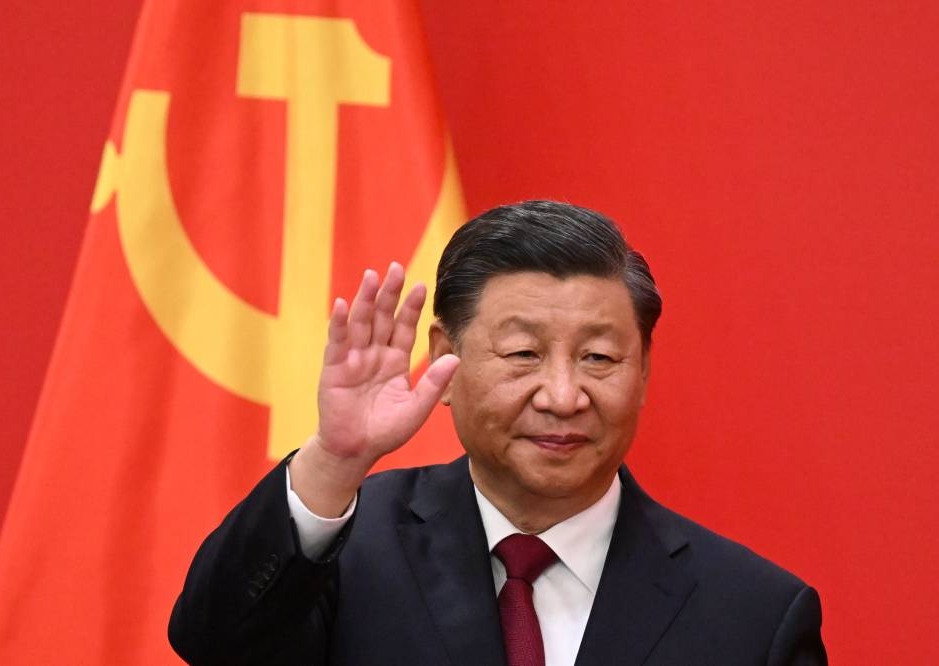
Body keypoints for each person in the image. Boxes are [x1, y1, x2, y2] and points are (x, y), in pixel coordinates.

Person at [168, 200, 827, 665]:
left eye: (598, 358)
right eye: (523, 355)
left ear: (644, 373)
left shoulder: (752, 614)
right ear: (446, 361)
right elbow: (216, 642)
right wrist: (336, 460)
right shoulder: (349, 556)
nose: (564, 396)